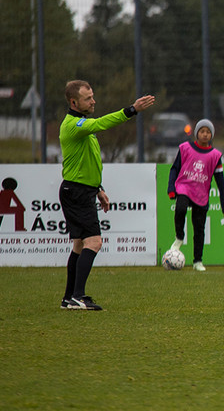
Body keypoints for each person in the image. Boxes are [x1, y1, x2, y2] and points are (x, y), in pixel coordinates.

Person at [58, 80, 155, 310]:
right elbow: (102, 123)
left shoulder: (82, 126)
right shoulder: (74, 125)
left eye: (92, 96)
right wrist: (132, 110)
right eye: (88, 98)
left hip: (81, 190)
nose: (93, 101)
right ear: (74, 102)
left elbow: (87, 161)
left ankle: (69, 297)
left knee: (80, 245)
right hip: (77, 192)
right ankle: (78, 297)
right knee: (94, 242)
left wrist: (98, 189)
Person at [167, 119, 224, 272]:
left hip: (201, 194)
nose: (205, 134)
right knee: (180, 209)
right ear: (197, 133)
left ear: (211, 135)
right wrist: (171, 188)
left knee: (199, 228)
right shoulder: (185, 148)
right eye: (202, 131)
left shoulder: (215, 156)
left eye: (208, 132)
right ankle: (179, 237)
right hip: (184, 187)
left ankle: (197, 261)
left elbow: (221, 183)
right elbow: (174, 168)